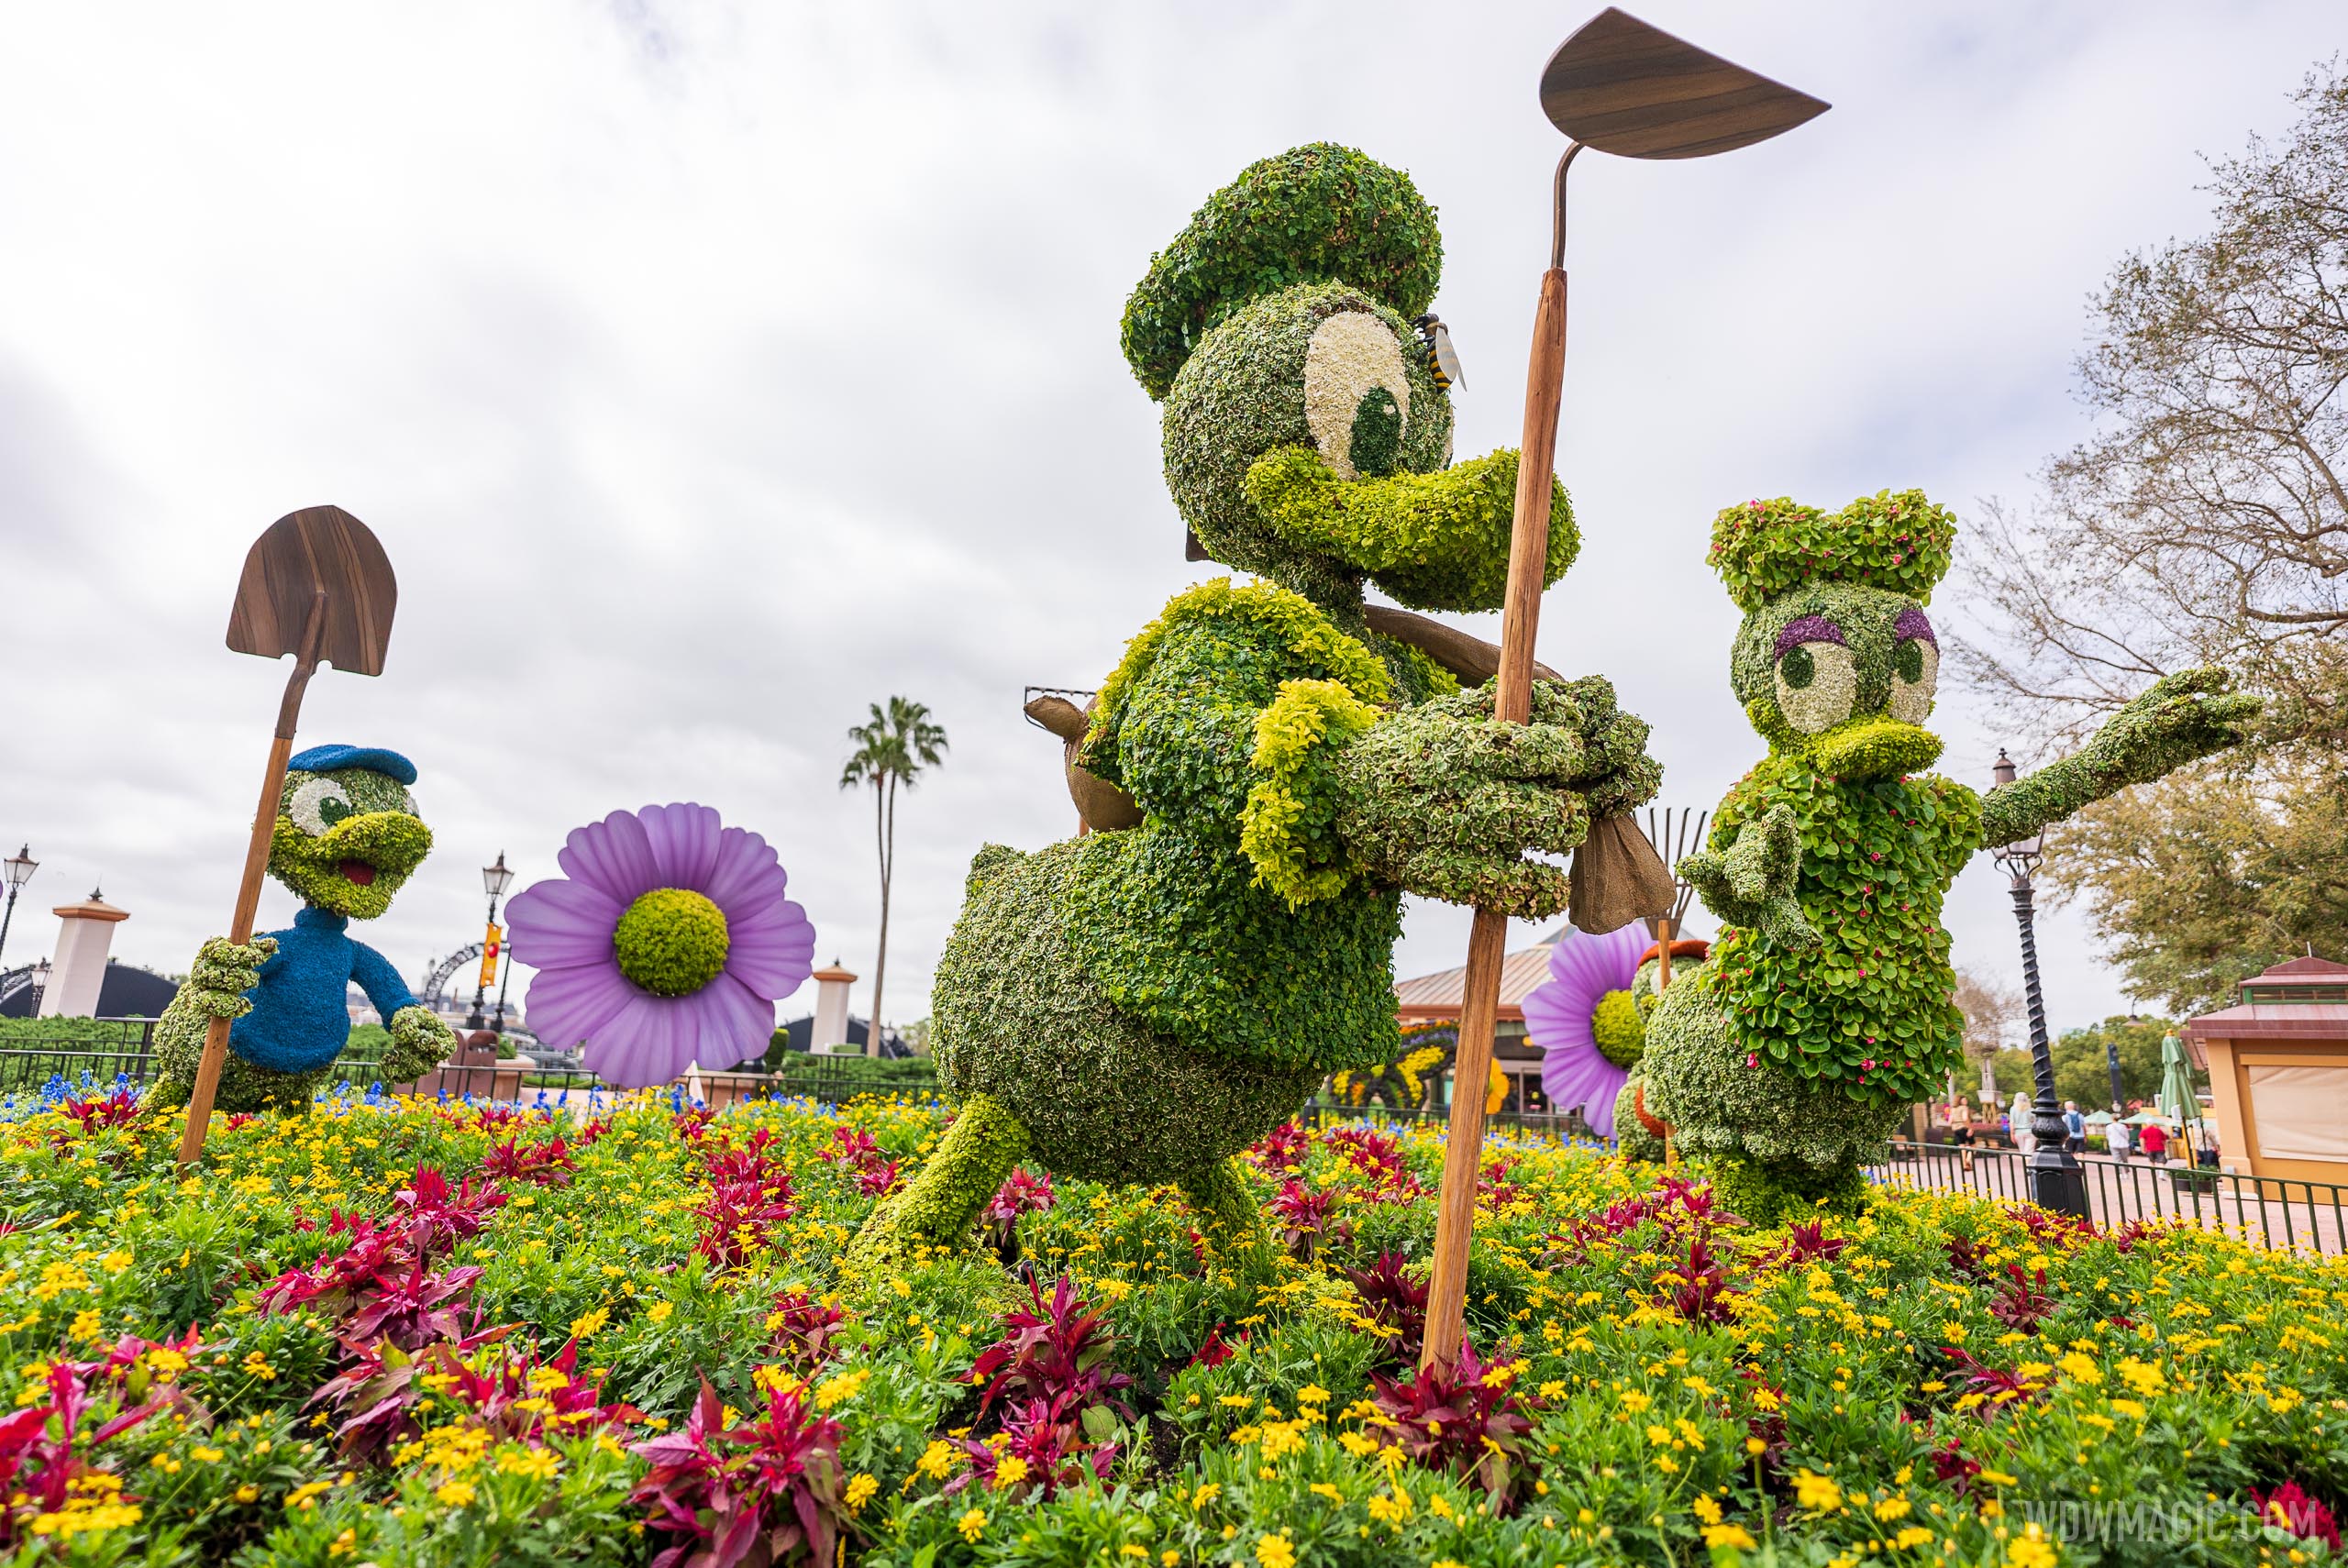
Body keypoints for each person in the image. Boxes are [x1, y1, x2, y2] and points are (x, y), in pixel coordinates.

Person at [1947, 1095, 1976, 1173]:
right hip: (1964, 1128)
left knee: (1962, 1148)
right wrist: (1970, 1128)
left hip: (1956, 1129)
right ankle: (1967, 1160)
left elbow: (1949, 1122)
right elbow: (1965, 1118)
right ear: (1960, 1101)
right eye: (1964, 1100)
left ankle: (1964, 1165)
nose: (1966, 1101)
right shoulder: (1964, 1108)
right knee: (1973, 1146)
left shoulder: (1953, 1109)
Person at [2010, 1089, 2035, 1158]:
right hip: (2030, 1131)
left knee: (2023, 1152)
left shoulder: (2013, 1109)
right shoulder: (2031, 1110)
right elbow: (2034, 1121)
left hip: (2018, 1132)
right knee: (2029, 1152)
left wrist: (2012, 1134)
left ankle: (2025, 1166)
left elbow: (2012, 1122)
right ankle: (2029, 1167)